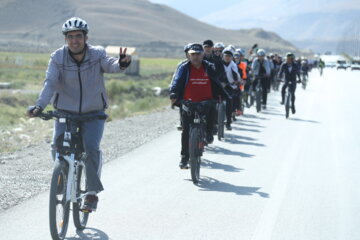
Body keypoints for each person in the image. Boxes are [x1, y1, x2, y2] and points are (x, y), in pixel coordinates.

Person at [27, 17, 132, 212]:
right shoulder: (57, 57)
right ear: (65, 39)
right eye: (70, 37)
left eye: (78, 36)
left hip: (93, 113)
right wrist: (40, 106)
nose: (75, 40)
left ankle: (91, 193)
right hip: (65, 111)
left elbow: (111, 65)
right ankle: (61, 176)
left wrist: (122, 64)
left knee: (91, 148)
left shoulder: (97, 54)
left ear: (86, 37)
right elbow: (50, 82)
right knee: (56, 147)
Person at [169, 44, 229, 169]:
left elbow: (216, 82)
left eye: (198, 54)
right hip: (188, 102)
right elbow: (177, 81)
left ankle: (209, 132)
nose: (195, 57)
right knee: (186, 131)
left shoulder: (209, 67)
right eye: (193, 54)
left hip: (206, 101)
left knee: (213, 110)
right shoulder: (184, 68)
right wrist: (174, 93)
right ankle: (184, 158)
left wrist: (219, 95)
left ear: (202, 55)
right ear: (189, 55)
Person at [221, 48, 240, 130]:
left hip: (229, 86)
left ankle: (228, 122)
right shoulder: (219, 63)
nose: (227, 57)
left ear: (231, 57)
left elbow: (236, 75)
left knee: (229, 102)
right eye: (226, 56)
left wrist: (236, 81)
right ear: (223, 56)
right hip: (219, 85)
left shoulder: (233, 65)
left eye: (229, 56)